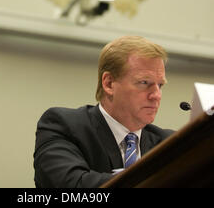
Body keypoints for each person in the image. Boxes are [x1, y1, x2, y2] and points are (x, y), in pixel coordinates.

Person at [33, 35, 174, 188]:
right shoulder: (63, 125)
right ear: (109, 83)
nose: (156, 95)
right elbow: (73, 185)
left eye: (160, 85)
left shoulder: (169, 142)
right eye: (144, 82)